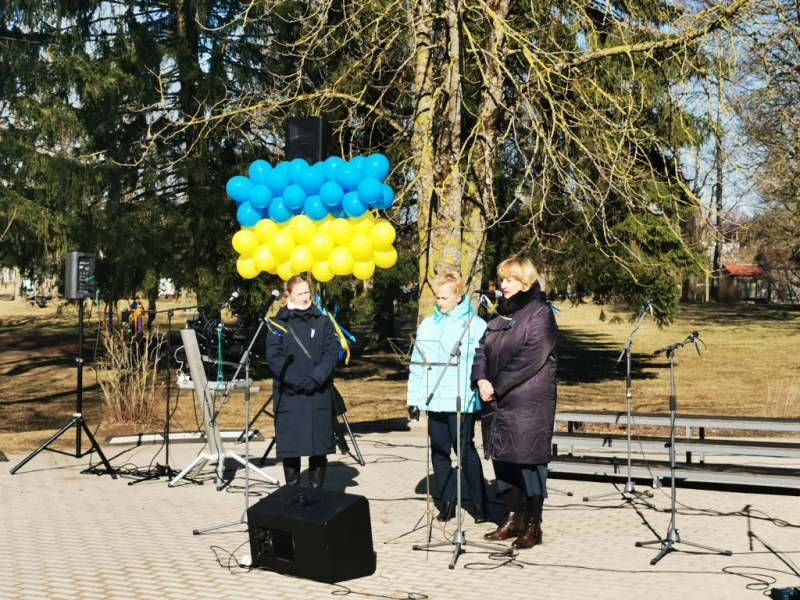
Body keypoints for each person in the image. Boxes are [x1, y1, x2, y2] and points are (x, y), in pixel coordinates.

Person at [471, 257, 557, 549]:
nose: (502, 284)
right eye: (501, 279)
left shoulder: (540, 313)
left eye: (508, 279)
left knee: (529, 464)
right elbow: (481, 349)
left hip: (528, 403)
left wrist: (497, 384)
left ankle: (533, 525)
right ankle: (512, 518)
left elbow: (533, 355)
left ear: (524, 280)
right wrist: (481, 379)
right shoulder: (499, 316)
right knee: (504, 461)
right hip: (497, 403)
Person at [407, 272, 490, 523]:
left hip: (461, 399)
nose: (440, 301)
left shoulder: (475, 325)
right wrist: (413, 399)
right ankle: (446, 502)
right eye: (437, 296)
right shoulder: (427, 324)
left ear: (459, 295)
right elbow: (417, 363)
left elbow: (484, 364)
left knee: (465, 451)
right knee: (439, 452)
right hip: (435, 399)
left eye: (445, 297)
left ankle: (479, 504)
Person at [266, 276, 340, 488]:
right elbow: (275, 358)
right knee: (292, 446)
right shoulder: (277, 323)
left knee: (319, 447)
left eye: (307, 293)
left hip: (318, 393)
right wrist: (298, 381)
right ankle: (293, 493)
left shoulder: (323, 320)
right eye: (299, 294)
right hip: (290, 395)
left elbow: (331, 353)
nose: (305, 297)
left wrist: (314, 379)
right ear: (288, 295)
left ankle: (317, 493)